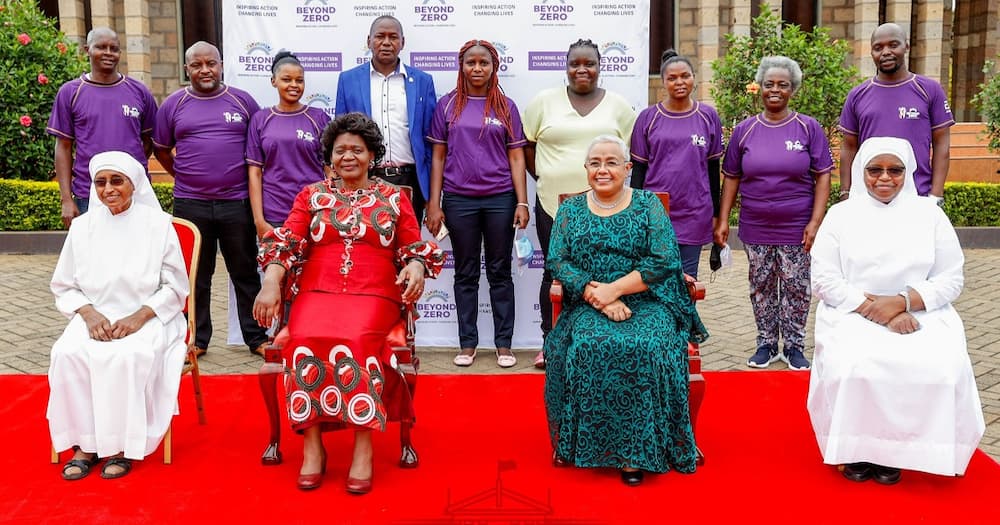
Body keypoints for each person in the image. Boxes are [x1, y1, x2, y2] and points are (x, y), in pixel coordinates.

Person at [253, 113, 445, 493]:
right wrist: (272, 281)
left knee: (357, 340)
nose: (348, 157)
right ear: (330, 157)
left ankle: (363, 446)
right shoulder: (311, 195)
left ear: (372, 155)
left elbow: (412, 246)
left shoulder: (393, 197)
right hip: (317, 289)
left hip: (375, 291)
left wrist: (419, 264)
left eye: (357, 150)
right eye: (340, 150)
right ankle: (312, 446)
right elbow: (285, 243)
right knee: (303, 337)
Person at [808, 136, 984, 484]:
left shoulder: (929, 215)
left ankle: (900, 452)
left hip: (921, 312)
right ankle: (856, 449)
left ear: (908, 171)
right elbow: (824, 279)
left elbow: (951, 279)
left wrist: (904, 302)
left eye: (895, 170)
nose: (884, 178)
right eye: (875, 169)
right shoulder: (841, 215)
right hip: (853, 310)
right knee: (854, 366)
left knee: (941, 367)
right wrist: (881, 308)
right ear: (862, 171)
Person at [544, 135, 707, 486]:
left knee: (645, 347)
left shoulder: (648, 205)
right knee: (589, 345)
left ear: (628, 168)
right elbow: (558, 260)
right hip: (589, 302)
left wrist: (615, 290)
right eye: (595, 163)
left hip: (649, 300)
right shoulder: (570, 210)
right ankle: (591, 445)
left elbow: (664, 261)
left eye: (611, 162)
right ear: (586, 169)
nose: (603, 170)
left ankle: (637, 453)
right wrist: (596, 294)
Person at [48, 151, 189, 481]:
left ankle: (123, 446)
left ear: (134, 183)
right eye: (100, 182)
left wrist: (139, 317)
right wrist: (88, 314)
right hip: (94, 317)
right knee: (67, 353)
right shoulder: (82, 227)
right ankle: (86, 444)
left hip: (150, 316)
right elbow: (64, 285)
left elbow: (175, 287)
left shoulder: (158, 225)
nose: (108, 189)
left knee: (129, 355)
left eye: (116, 181)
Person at [523, 38, 636, 368]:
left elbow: (631, 154)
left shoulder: (618, 106)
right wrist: (545, 175)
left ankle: (602, 338)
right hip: (551, 205)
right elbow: (526, 147)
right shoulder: (543, 102)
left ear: (601, 67)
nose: (582, 69)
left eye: (590, 63)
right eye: (575, 63)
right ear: (566, 66)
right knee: (554, 273)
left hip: (607, 207)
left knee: (604, 270)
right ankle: (551, 341)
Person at [715, 56, 833, 371]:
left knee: (797, 287)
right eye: (769, 84)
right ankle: (766, 344)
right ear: (760, 88)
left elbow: (823, 174)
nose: (775, 90)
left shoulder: (808, 127)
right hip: (756, 226)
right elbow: (732, 177)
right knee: (761, 286)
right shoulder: (744, 130)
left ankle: (794, 347)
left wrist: (815, 221)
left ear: (792, 89)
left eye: (782, 85)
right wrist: (724, 220)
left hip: (797, 226)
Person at [153, 41, 267, 359]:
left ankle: (256, 336)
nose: (205, 70)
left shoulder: (242, 101)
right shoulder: (173, 104)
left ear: (221, 65)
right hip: (191, 204)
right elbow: (161, 148)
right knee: (195, 275)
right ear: (186, 69)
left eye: (211, 63)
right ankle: (197, 337)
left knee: (244, 272)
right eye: (197, 65)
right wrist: (185, 175)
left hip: (237, 202)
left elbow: (258, 149)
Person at [424, 40, 529, 369]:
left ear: (493, 66)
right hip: (458, 199)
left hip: (500, 198)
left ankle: (504, 344)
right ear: (462, 65)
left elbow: (516, 156)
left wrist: (522, 201)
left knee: (500, 273)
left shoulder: (506, 106)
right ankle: (467, 343)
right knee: (466, 273)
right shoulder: (448, 105)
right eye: (471, 62)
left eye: (484, 63)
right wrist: (434, 202)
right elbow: (438, 157)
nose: (478, 68)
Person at [46, 27, 158, 227]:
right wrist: (66, 199)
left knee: (137, 255)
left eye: (114, 48)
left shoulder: (139, 91)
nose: (108, 53)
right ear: (87, 50)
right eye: (101, 47)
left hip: (135, 193)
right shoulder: (70, 92)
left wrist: (129, 168)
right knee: (94, 257)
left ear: (120, 53)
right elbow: (62, 147)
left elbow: (148, 141)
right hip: (88, 194)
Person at [630, 49, 724, 278]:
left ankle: (685, 316)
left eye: (685, 76)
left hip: (695, 211)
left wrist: (717, 214)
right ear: (663, 82)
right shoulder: (648, 118)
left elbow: (713, 170)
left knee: (688, 278)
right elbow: (639, 172)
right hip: (655, 212)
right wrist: (634, 214)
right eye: (672, 78)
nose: (679, 82)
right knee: (656, 277)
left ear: (694, 77)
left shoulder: (708, 116)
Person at [335, 15, 437, 222]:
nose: (387, 42)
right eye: (380, 36)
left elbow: (430, 142)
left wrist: (432, 196)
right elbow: (340, 137)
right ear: (369, 41)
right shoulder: (348, 80)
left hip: (409, 179)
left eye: (393, 37)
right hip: (364, 177)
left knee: (407, 248)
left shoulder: (423, 81)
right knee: (366, 247)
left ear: (402, 42)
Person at [839, 23, 954, 202]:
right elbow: (848, 147)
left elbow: (942, 146)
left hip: (917, 196)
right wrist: (846, 194)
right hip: (867, 198)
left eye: (893, 45)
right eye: (878, 48)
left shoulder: (929, 90)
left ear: (906, 46)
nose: (885, 52)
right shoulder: (857, 95)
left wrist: (935, 195)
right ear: (872, 53)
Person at [247, 51, 332, 238]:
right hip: (274, 214)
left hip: (315, 211)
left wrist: (331, 209)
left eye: (299, 80)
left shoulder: (319, 117)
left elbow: (330, 169)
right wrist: (259, 221)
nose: (294, 85)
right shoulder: (260, 119)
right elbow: (255, 173)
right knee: (274, 267)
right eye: (287, 79)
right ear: (273, 81)